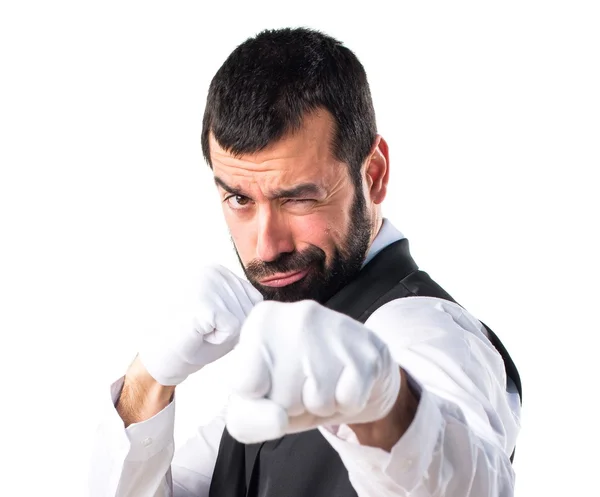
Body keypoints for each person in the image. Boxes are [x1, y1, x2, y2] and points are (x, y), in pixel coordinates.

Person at [89, 27, 522, 497]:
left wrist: (387, 408)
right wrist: (148, 379)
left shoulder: (427, 331)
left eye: (297, 199)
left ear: (373, 176)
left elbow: (473, 482)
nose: (266, 246)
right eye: (239, 199)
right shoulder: (274, 378)